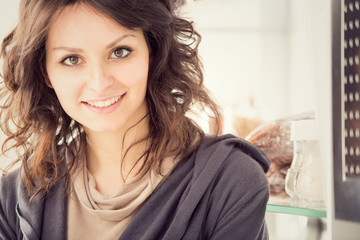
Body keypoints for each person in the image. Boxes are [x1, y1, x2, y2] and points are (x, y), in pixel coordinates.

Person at [0, 0, 270, 239]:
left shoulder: (230, 182)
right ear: (45, 72)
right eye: (71, 59)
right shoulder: (13, 198)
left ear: (152, 53)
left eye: (120, 52)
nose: (100, 83)